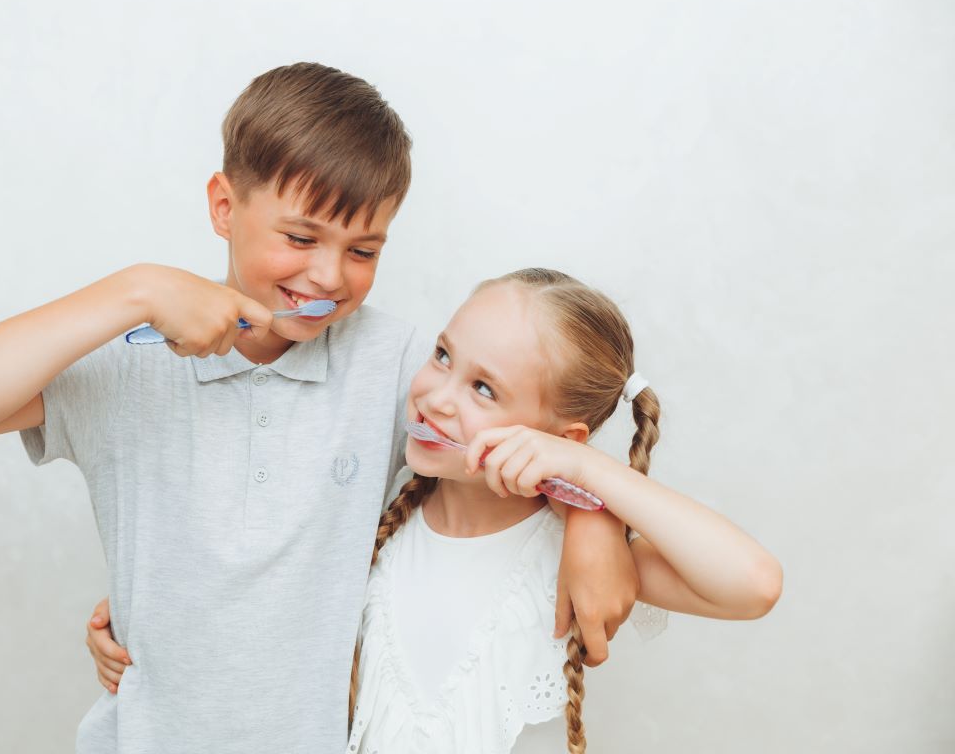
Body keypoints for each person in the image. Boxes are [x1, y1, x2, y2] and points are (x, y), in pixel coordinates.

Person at [0, 64, 638, 754]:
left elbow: (519, 430)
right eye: (300, 237)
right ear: (224, 208)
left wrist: (591, 519)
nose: (328, 274)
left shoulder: (399, 367)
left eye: (363, 250)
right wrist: (135, 290)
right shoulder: (128, 360)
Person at [88, 268, 782, 752]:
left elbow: (753, 585)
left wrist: (590, 482)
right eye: (444, 356)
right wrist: (143, 626)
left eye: (484, 389)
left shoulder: (569, 563)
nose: (437, 395)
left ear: (556, 436)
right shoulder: (372, 535)